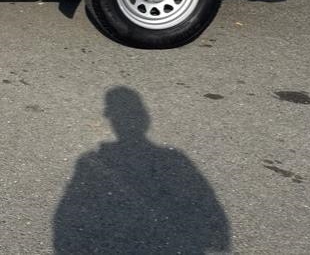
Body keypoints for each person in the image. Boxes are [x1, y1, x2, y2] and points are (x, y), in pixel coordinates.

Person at [53, 87, 231, 254]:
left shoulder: (91, 162)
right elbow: (204, 200)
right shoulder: (173, 158)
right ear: (145, 118)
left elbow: (69, 210)